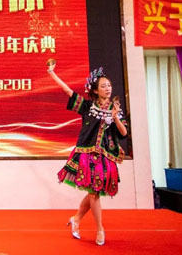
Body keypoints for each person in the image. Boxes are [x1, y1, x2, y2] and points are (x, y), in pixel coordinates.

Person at [47, 61, 128, 246]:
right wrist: (52, 73)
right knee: (93, 193)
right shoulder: (88, 106)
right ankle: (100, 229)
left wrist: (115, 117)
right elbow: (68, 91)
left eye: (109, 85)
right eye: (103, 86)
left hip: (105, 156)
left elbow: (123, 133)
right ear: (96, 91)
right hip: (87, 155)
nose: (108, 88)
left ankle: (76, 218)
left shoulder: (115, 108)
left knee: (94, 192)